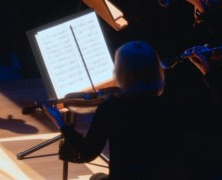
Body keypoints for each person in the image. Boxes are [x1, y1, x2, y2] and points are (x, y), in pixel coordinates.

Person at [41, 41, 188, 180]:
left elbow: (87, 152)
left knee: (95, 178)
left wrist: (61, 123)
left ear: (122, 73)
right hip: (167, 176)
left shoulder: (111, 108)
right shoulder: (170, 104)